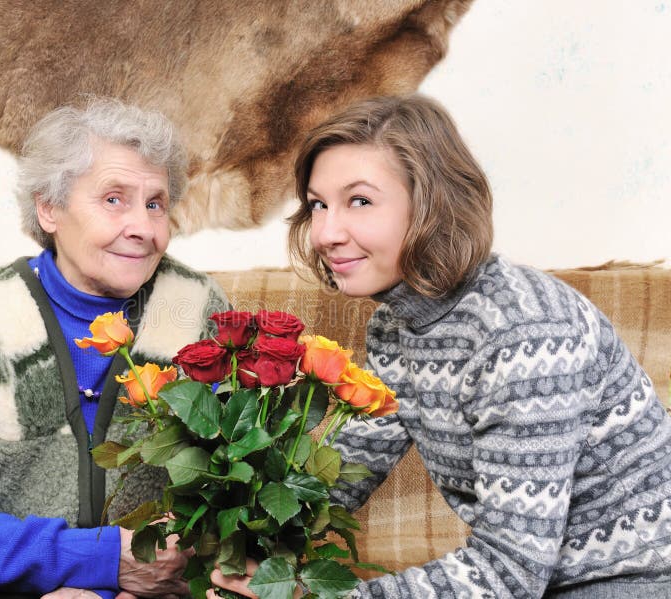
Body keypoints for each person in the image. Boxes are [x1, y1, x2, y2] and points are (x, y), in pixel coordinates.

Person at [208, 95, 671, 598]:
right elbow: (344, 471)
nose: (326, 232)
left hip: (632, 580)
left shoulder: (527, 336)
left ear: (434, 204)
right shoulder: (396, 324)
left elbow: (510, 573)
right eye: (319, 204)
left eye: (359, 201)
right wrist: (229, 535)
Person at [0, 97, 230, 599]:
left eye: (155, 204)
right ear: (49, 208)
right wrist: (95, 564)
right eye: (114, 199)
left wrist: (123, 590)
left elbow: (235, 492)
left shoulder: (196, 312)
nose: (143, 228)